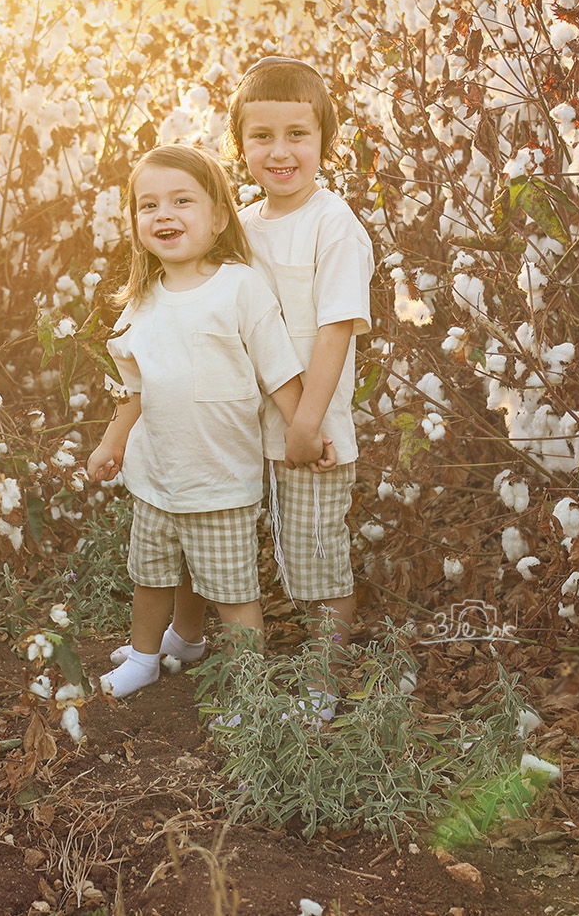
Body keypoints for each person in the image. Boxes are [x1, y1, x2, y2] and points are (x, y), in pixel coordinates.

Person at [156, 56, 375, 717]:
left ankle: (323, 678)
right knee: (216, 538)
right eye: (262, 136)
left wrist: (307, 422)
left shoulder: (333, 225)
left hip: (311, 430)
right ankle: (195, 642)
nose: (280, 152)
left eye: (297, 134)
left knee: (315, 560)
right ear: (239, 144)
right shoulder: (242, 224)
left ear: (324, 139)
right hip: (237, 425)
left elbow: (336, 330)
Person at [85, 144, 319, 699]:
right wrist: (111, 443)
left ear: (217, 218)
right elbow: (131, 386)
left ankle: (249, 688)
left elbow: (278, 369)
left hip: (219, 480)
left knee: (233, 594)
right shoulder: (142, 298)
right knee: (152, 577)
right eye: (148, 205)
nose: (163, 214)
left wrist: (303, 430)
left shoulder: (238, 287)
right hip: (156, 475)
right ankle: (149, 656)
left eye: (181, 201)